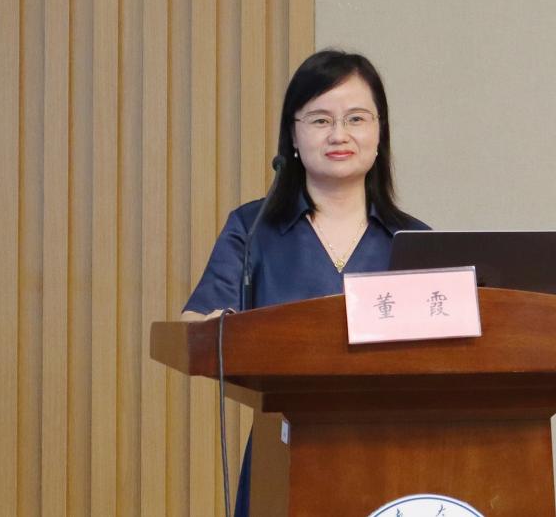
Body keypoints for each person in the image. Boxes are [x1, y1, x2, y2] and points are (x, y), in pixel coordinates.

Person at [180, 49, 429, 514]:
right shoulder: (253, 229)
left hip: (395, 452)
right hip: (285, 451)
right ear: (293, 135)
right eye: (319, 120)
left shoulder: (414, 241)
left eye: (356, 118)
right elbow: (197, 322)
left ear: (379, 132)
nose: (339, 134)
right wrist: (227, 328)